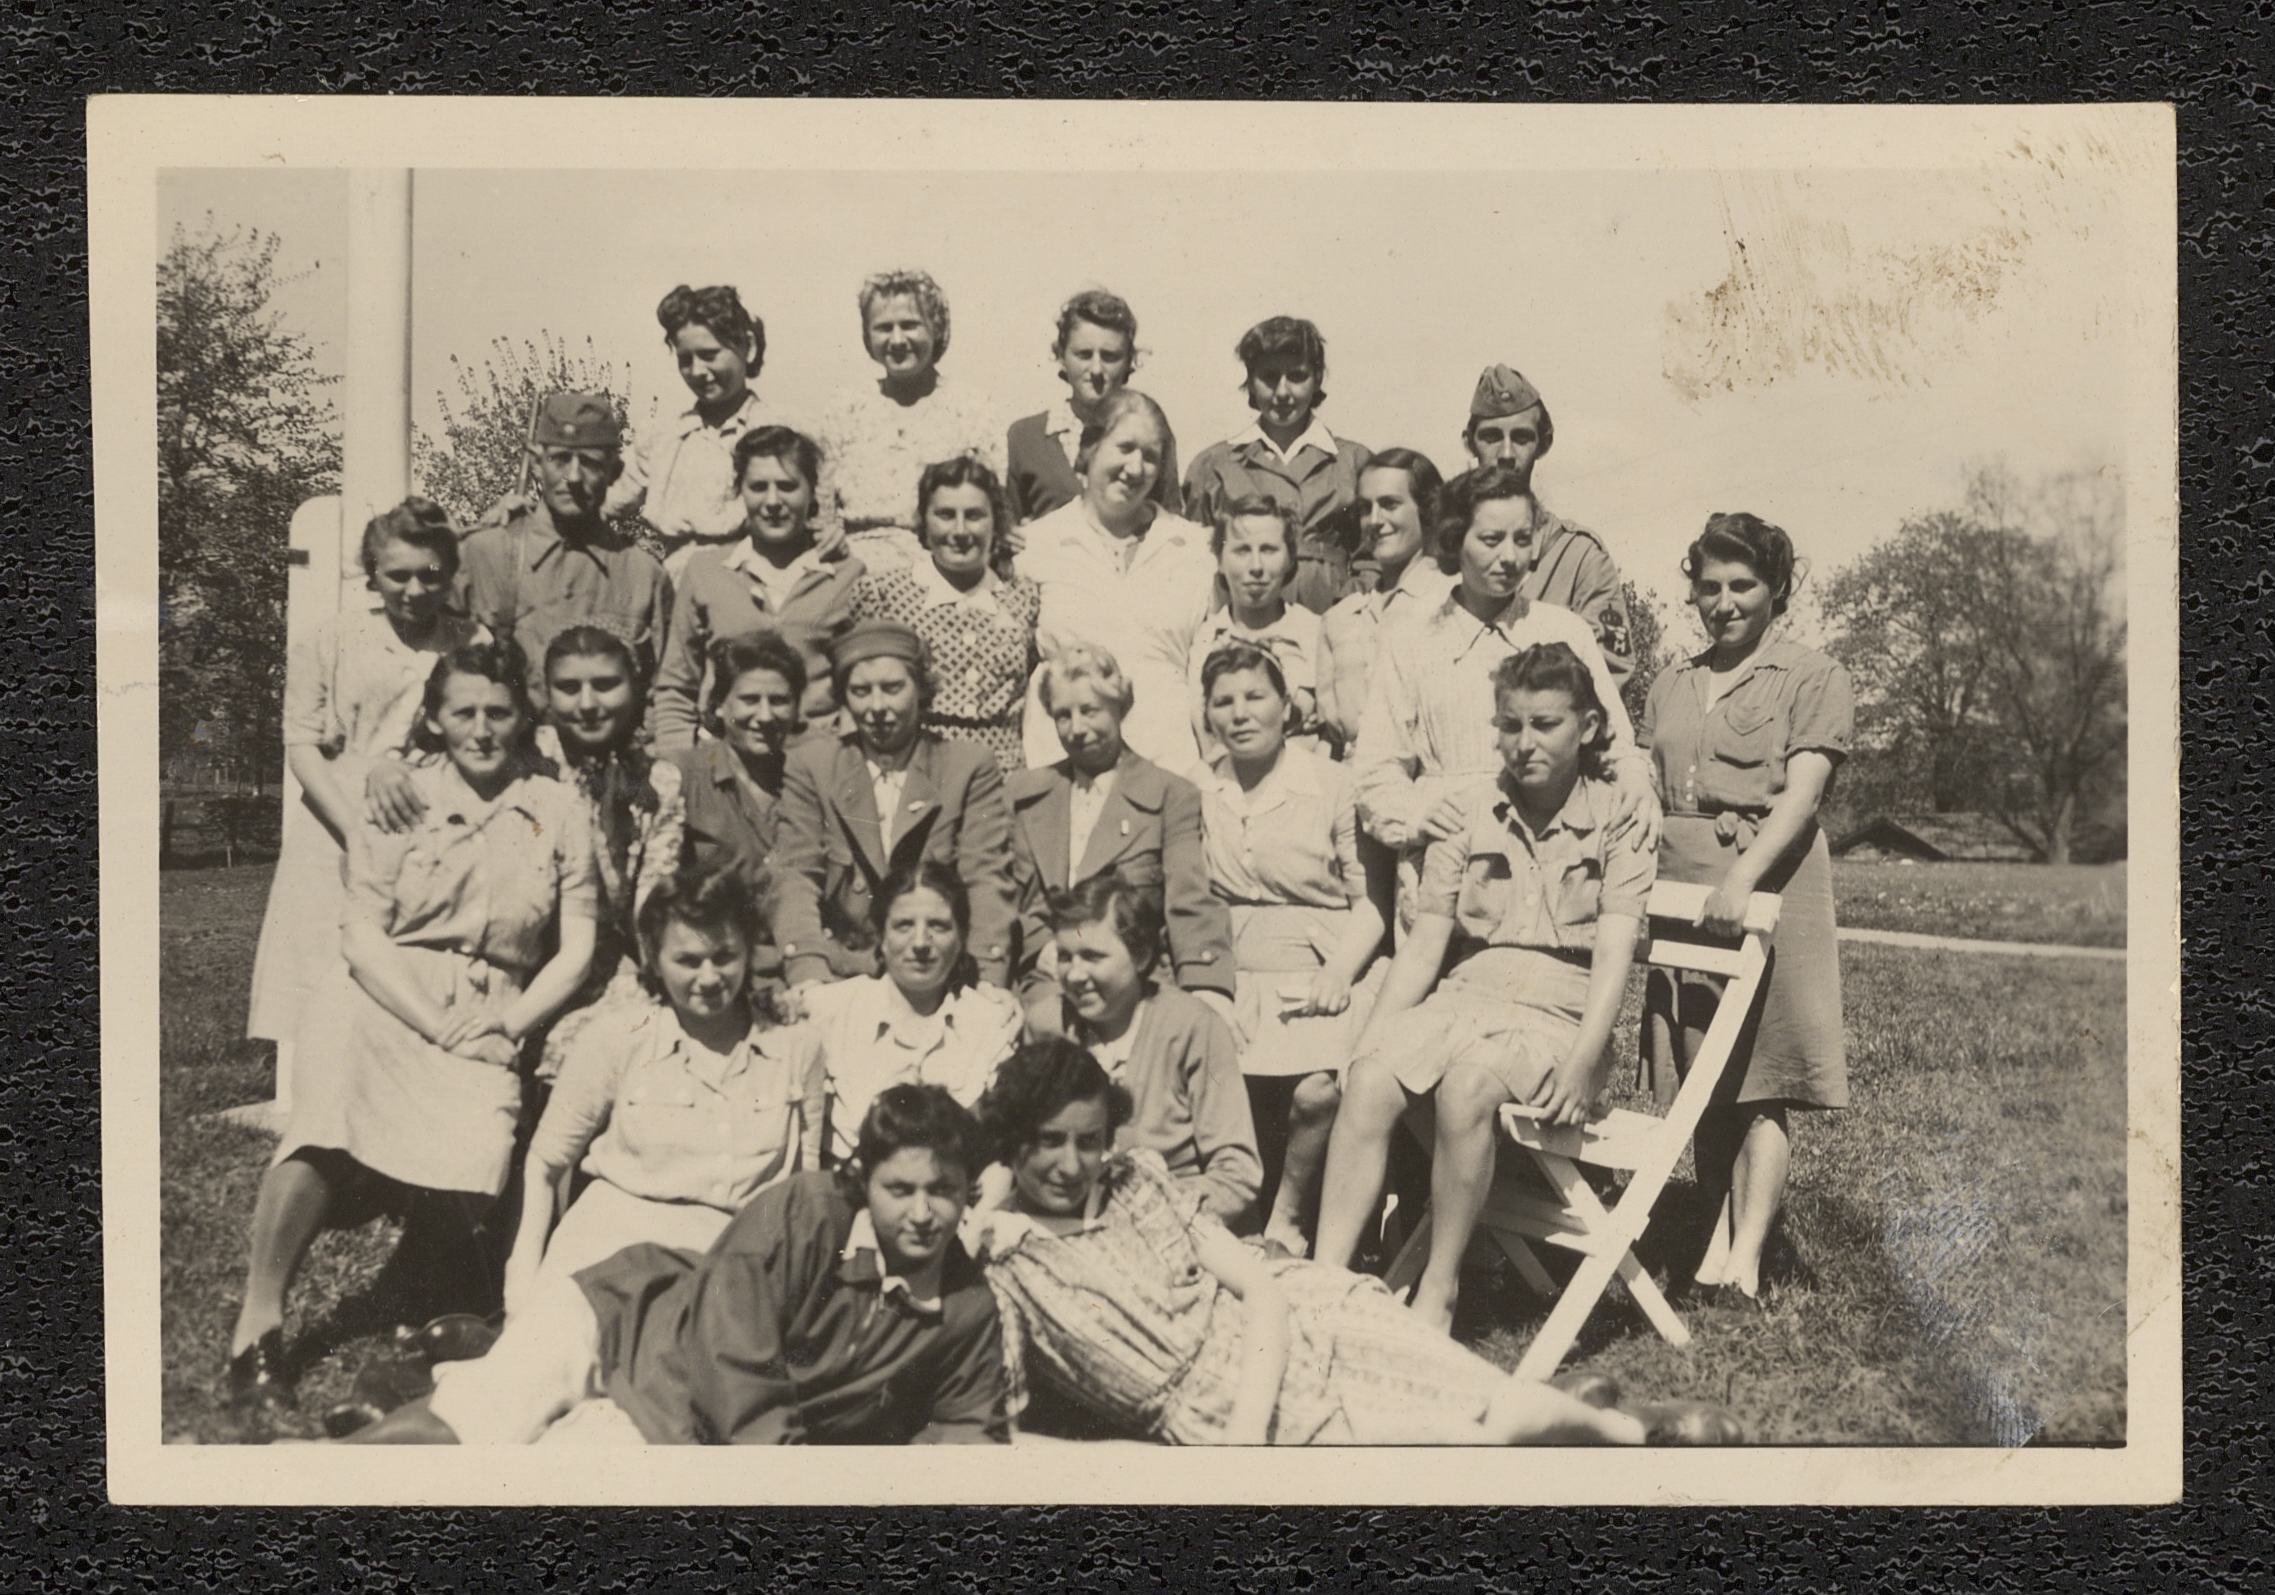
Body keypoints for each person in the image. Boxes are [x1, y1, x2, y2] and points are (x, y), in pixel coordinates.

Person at [973, 1039, 1743, 1445]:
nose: (1070, 1164)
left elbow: (1258, 1284)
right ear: (1011, 1141)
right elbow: (999, 1430)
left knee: (1476, 1394)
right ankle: (1583, 1421)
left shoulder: (1134, 1180)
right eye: (1046, 1142)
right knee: (1462, 1442)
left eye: (1086, 1140)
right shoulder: (1005, 1268)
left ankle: (1626, 1429)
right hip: (1210, 1401)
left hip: (1291, 1318)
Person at [226, 641, 597, 1421]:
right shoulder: (400, 797)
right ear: (434, 718)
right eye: (463, 711)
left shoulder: (556, 807)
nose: (481, 728)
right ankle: (257, 1327)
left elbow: (578, 946)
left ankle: (421, 1304)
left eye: (498, 712)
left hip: (491, 1006)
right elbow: (361, 937)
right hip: (384, 990)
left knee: (483, 1143)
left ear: (523, 718)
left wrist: (508, 1022)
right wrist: (435, 1023)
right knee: (329, 1116)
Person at [343, 1085, 1008, 1445]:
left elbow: (966, 1428)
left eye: (943, 1189)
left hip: (686, 1430)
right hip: (625, 1322)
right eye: (900, 1189)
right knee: (474, 1426)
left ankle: (441, 1373)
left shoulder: (965, 1305)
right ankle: (318, 1472)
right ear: (865, 1181)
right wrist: (789, 1477)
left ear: (968, 1193)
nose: (923, 1212)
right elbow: (731, 1354)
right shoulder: (807, 1212)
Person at [1316, 644, 1655, 1333]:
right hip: (1466, 995)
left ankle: (1439, 1287)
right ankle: (1321, 1285)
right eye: (1510, 724)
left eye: (1545, 724)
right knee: (1370, 1077)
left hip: (1561, 1014)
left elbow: (1614, 952)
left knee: (1467, 1087)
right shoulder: (1468, 809)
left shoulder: (1618, 814)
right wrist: (1371, 1038)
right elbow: (1425, 945)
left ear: (1588, 727)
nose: (1524, 742)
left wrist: (1584, 1059)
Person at [1642, 513, 1853, 1305]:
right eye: (1708, 587)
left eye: (1742, 585)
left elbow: (1801, 796)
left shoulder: (1812, 674)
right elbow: (1644, 781)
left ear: (1776, 588)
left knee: (1758, 1080)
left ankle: (1747, 1259)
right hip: (1679, 886)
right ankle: (1711, 1243)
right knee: (1702, 1073)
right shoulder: (1671, 679)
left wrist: (1742, 881)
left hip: (1767, 880)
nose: (1723, 602)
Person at [1351, 463, 1659, 930]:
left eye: (1522, 539)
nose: (1510, 557)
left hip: (1549, 863)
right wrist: (1415, 815)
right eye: (1492, 540)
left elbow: (1615, 745)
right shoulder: (1412, 637)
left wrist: (1635, 780)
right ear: (1455, 539)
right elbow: (1376, 769)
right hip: (1445, 867)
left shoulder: (1563, 629)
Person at [505, 867, 826, 1311]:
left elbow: (803, 1191)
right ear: (654, 959)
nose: (709, 978)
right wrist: (522, 1280)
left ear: (749, 951)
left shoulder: (797, 1047)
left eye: (724, 957)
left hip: (728, 1268)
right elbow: (545, 1163)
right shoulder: (616, 1038)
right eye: (688, 961)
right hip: (609, 1250)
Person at [247, 498, 486, 1068]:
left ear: (450, 575)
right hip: (337, 819)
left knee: (416, 972)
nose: (414, 590)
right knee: (325, 966)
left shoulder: (472, 642)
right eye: (397, 575)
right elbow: (301, 744)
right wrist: (355, 830)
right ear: (372, 573)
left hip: (433, 816)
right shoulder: (331, 639)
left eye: (430, 575)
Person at [1195, 640, 1387, 1255]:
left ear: (1286, 706)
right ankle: (1239, 1217)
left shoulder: (1331, 785)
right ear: (1207, 714)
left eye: (1255, 697)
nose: (1240, 714)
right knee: (1211, 1076)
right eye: (1223, 702)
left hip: (1322, 958)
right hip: (1228, 964)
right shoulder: (1199, 789)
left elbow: (1371, 904)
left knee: (1316, 1090)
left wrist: (1340, 971)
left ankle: (1289, 1216)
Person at [773, 620, 1017, 990]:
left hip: (939, 972)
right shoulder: (813, 766)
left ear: (920, 689)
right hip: (843, 973)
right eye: (860, 691)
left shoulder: (966, 766)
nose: (877, 707)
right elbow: (796, 876)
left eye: (892, 688)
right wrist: (808, 973)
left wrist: (987, 981)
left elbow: (985, 878)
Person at [1008, 644, 1235, 1035]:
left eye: (1090, 710)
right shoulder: (1025, 793)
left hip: (1138, 977)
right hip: (1052, 977)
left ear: (1120, 706)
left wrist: (1207, 986)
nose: (1077, 728)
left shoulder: (1169, 794)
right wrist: (1044, 947)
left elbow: (1189, 899)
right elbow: (1008, 897)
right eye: (1063, 715)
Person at [1014, 389, 1218, 779]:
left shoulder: (1194, 548)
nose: (1136, 468)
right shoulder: (1037, 545)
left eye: (1150, 456)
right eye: (1124, 448)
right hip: (1062, 763)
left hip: (1168, 765)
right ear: (1090, 448)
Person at [1044, 875, 1260, 1228]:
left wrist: (1144, 1215)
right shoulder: (1049, 1026)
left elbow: (1237, 1174)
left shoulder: (1193, 1026)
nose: (1076, 975)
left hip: (1182, 1225)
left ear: (1141, 955)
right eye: (1065, 957)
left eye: (1092, 956)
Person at [532, 626, 687, 1079]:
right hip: (521, 950)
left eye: (605, 685)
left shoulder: (658, 782)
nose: (587, 704)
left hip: (599, 963)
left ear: (634, 688)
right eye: (568, 688)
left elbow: (650, 898)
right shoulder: (523, 759)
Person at [649, 425, 864, 751]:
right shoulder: (705, 572)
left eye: (788, 486)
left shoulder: (847, 575)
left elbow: (861, 685)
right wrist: (677, 764)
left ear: (812, 491)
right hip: (727, 760)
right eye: (758, 487)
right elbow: (677, 687)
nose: (772, 501)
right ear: (740, 491)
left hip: (818, 761)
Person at [796, 860, 1025, 1164]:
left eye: (938, 926)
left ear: (961, 938)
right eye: (903, 925)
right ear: (881, 936)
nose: (920, 943)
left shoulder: (990, 1024)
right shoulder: (828, 1012)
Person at [454, 393, 672, 707]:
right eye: (560, 460)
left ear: (614, 471)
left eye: (590, 463)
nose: (573, 477)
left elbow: (666, 695)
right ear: (537, 463)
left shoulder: (643, 576)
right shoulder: (482, 555)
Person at [1441, 363, 1634, 683]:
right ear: (1469, 442)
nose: (1506, 453)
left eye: (1521, 438)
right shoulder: (1441, 548)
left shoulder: (1578, 557)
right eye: (1491, 437)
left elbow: (1608, 673)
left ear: (1543, 444)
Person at [854, 457, 1042, 772]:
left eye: (974, 516)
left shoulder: (1023, 596)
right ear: (923, 521)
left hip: (1003, 776)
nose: (960, 530)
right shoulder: (883, 594)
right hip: (918, 770)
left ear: (995, 522)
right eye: (945, 515)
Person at [1180, 316, 1372, 616]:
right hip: (1243, 621)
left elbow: (1373, 558)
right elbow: (1195, 564)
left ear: (1317, 378)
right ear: (1250, 381)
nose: (1282, 392)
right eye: (1269, 377)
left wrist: (1348, 608)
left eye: (1297, 376)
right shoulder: (1214, 465)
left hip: (1334, 619)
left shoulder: (1353, 461)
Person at [816, 269, 1003, 577]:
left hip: (943, 571)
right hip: (851, 571)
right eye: (883, 328)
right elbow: (822, 511)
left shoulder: (972, 409)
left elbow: (991, 510)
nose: (897, 340)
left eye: (910, 325)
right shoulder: (844, 409)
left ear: (936, 328)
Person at [604, 284, 774, 580]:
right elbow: (606, 501)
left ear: (748, 347)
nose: (697, 371)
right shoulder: (662, 439)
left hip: (755, 586)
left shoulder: (780, 431)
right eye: (685, 359)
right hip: (679, 587)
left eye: (709, 355)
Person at [667, 631, 803, 986]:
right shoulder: (683, 776)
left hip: (797, 964)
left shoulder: (809, 780)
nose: (765, 715)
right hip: (716, 973)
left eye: (779, 701)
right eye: (749, 700)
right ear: (719, 705)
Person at [1314, 448, 1454, 751]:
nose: (1374, 521)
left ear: (1428, 509)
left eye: (1389, 505)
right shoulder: (1340, 619)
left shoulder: (1454, 603)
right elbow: (1330, 737)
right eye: (1366, 508)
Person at [1003, 288, 1181, 527]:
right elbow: (1007, 527)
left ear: (1129, 361)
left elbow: (1170, 521)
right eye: (1084, 355)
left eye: (1110, 356)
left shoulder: (1150, 432)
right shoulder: (1025, 436)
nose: (1096, 369)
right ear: (1061, 356)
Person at [1185, 496, 1322, 761]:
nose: (1256, 567)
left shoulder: (1315, 633)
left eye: (1269, 550)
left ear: (1290, 559)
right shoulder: (1204, 640)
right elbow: (1205, 737)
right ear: (1220, 561)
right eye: (1242, 550)